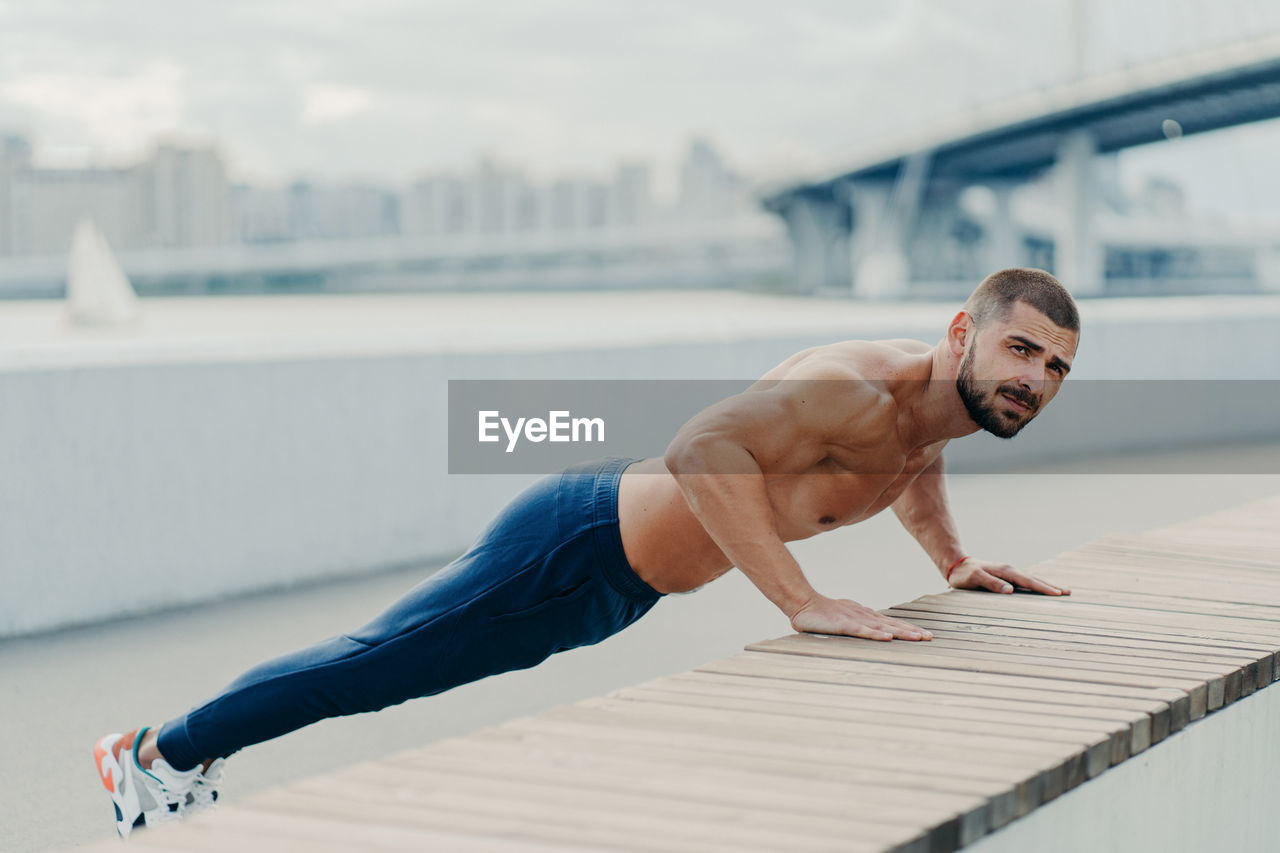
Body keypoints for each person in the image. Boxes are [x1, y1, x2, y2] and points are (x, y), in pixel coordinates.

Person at [94, 267, 1079, 837]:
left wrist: (949, 560)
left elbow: (913, 462)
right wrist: (799, 599)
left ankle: (179, 750)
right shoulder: (851, 389)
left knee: (395, 669)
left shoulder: (927, 416)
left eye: (1054, 368)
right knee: (377, 665)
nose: (1034, 380)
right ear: (962, 332)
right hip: (574, 544)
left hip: (613, 583)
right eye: (1020, 351)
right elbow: (702, 449)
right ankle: (152, 754)